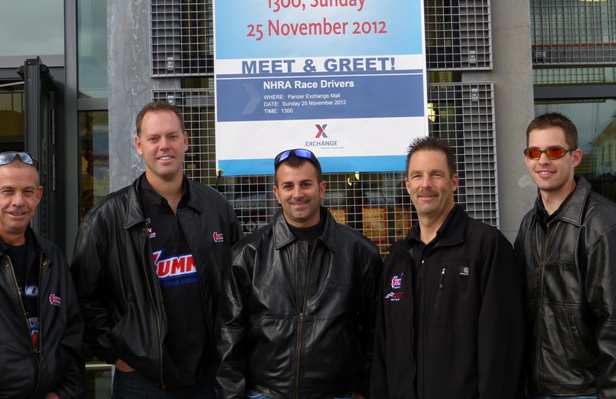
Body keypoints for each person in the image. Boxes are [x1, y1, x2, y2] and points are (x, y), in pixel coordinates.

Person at [71, 100, 242, 398]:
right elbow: (84, 298)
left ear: (186, 141)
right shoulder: (107, 218)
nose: (164, 145)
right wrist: (116, 354)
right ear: (139, 145)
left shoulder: (217, 208)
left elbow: (239, 287)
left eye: (172, 136)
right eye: (153, 138)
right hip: (141, 380)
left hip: (209, 376)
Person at [216, 148, 382, 399]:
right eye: (288, 186)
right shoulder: (247, 254)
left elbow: (375, 330)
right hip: (265, 393)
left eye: (306, 184)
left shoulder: (360, 253)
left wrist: (364, 390)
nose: (297, 194)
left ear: (322, 188)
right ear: (277, 193)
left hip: (337, 394)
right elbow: (229, 332)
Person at [370, 137, 524, 399]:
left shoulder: (486, 247)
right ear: (407, 185)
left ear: (454, 181)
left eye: (436, 175)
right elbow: (384, 349)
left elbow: (503, 348)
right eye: (417, 176)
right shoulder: (398, 259)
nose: (425, 184)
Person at [514, 112, 616, 399]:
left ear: (575, 157)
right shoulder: (530, 224)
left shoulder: (606, 225)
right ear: (527, 159)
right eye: (535, 152)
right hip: (535, 389)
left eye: (555, 151)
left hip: (585, 391)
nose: (543, 160)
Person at [0, 151, 84, 399]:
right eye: (8, 191)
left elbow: (72, 336)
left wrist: (63, 393)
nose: (18, 201)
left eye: (28, 191)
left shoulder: (51, 257)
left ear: (39, 196)